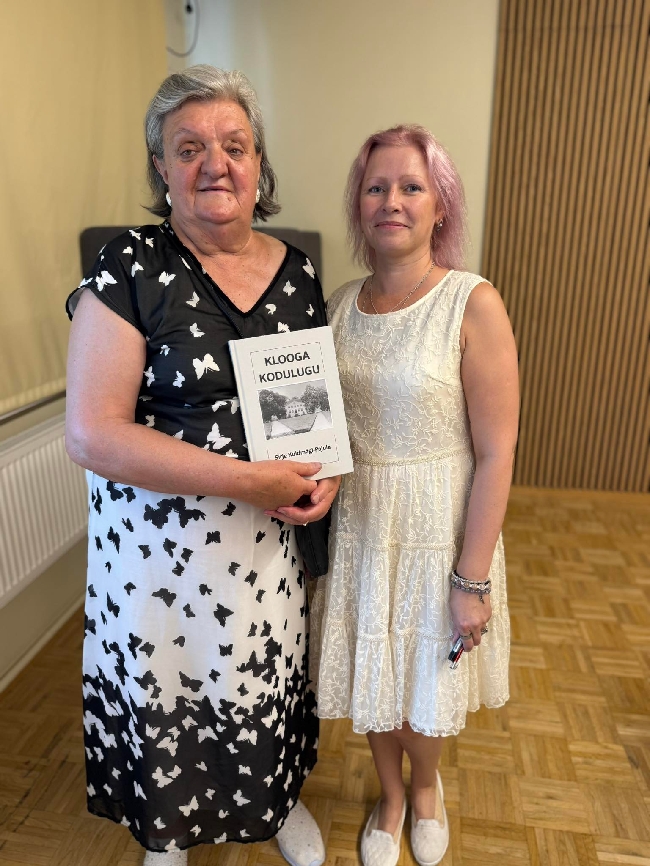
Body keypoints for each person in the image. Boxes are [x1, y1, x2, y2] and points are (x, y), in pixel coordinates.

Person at [65, 65, 338, 864]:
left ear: (259, 163)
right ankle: (169, 831)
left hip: (266, 550)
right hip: (158, 555)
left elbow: (306, 411)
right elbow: (93, 434)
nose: (215, 164)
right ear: (161, 167)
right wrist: (250, 481)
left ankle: (274, 803)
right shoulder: (129, 264)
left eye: (234, 145)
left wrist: (323, 476)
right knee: (170, 686)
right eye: (189, 149)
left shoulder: (298, 272)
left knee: (261, 678)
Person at [309, 125, 519, 866]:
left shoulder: (472, 302)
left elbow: (496, 453)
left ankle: (426, 788)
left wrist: (472, 579)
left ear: (440, 206)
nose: (391, 201)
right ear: (359, 206)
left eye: (410, 187)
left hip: (438, 529)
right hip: (361, 526)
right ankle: (390, 795)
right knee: (375, 670)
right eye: (376, 187)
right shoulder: (337, 306)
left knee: (424, 676)